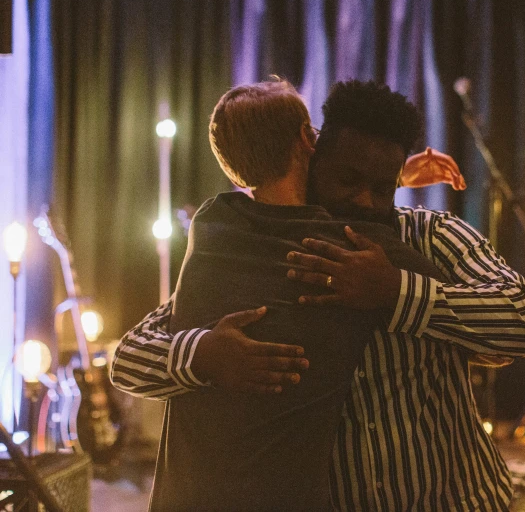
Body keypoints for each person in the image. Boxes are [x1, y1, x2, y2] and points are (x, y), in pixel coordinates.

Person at [112, 79, 525, 511]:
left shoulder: (430, 236)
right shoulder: (258, 251)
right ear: (311, 152)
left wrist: (395, 290)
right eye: (347, 179)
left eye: (383, 188)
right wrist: (203, 354)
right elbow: (129, 358)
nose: (365, 201)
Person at [150, 80, 447, 512]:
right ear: (310, 140)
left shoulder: (211, 224)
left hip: (182, 495)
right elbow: (451, 306)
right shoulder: (353, 244)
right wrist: (389, 181)